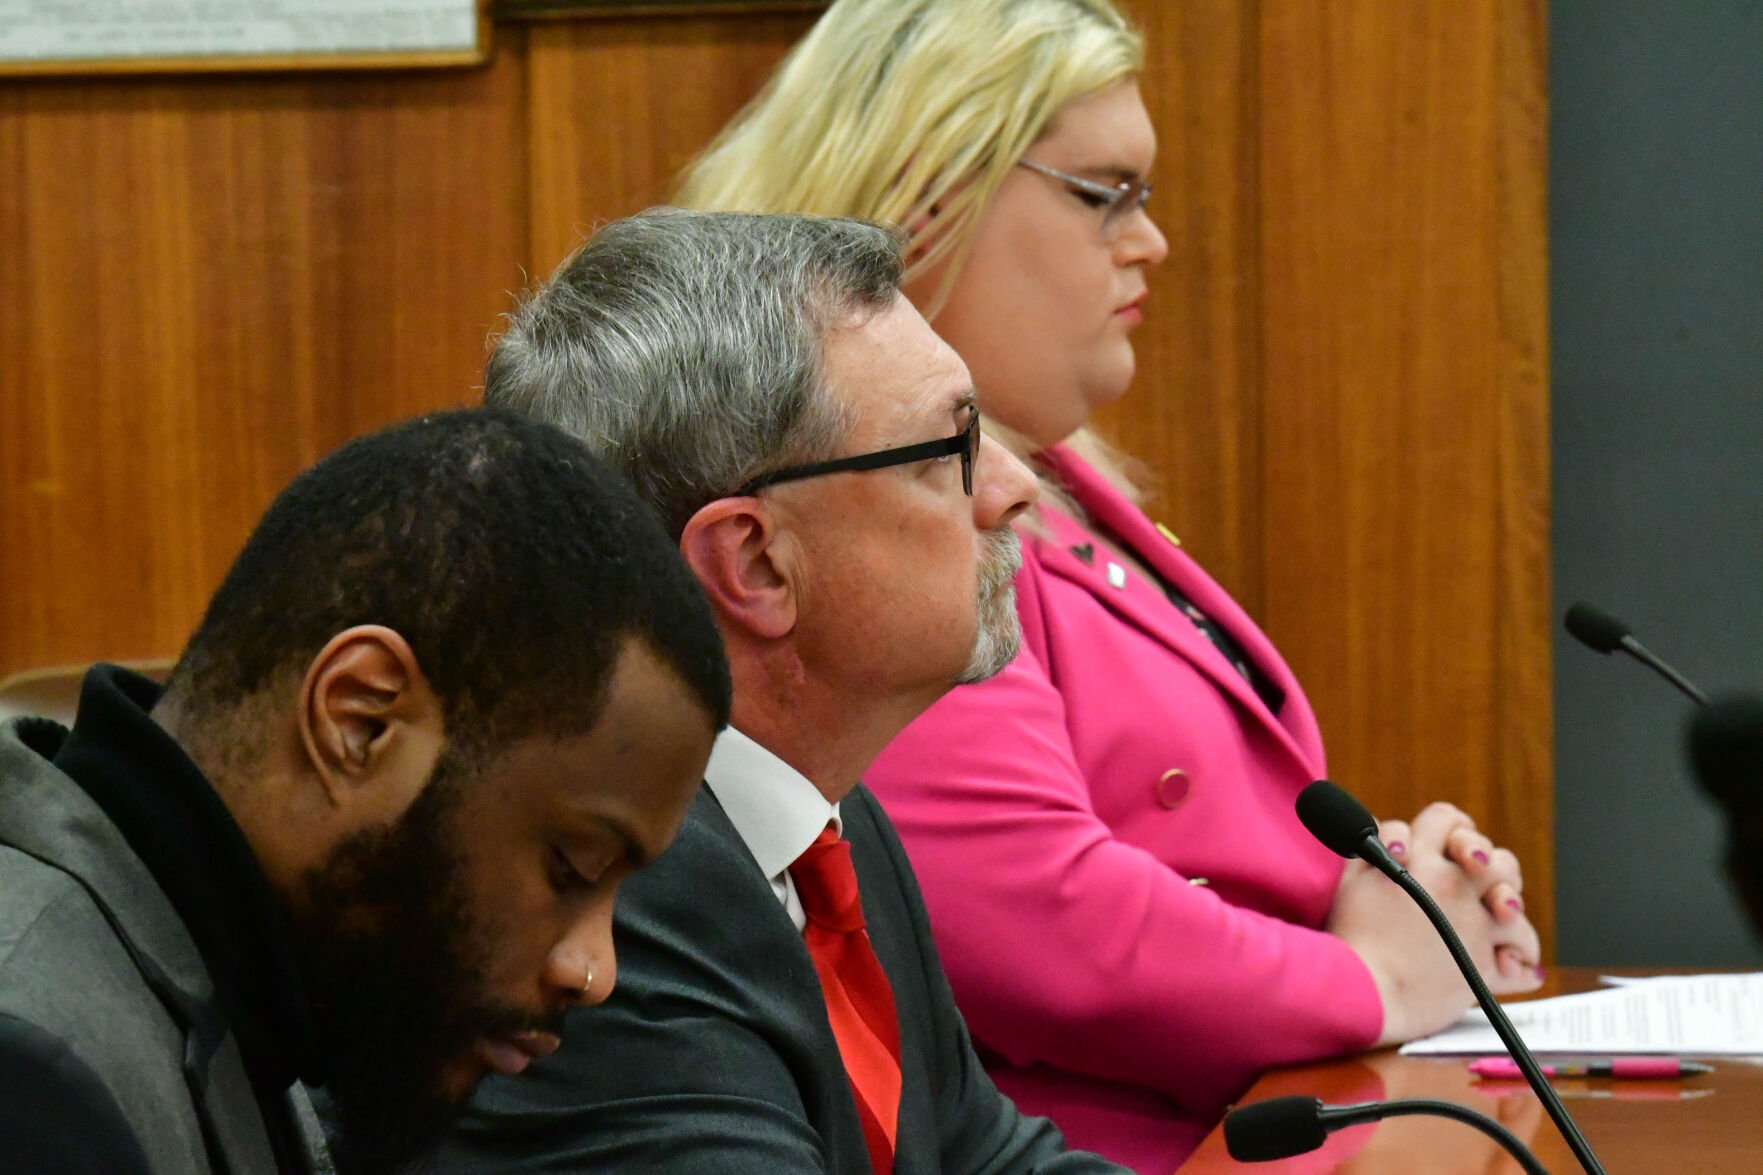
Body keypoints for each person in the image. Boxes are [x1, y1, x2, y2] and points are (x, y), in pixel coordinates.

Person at [676, 1, 1545, 1169]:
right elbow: (1035, 912)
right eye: (1105, 192)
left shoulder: (1060, 473)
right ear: (925, 188)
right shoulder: (890, 531)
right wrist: (1375, 971)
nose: (1150, 242)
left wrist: (1404, 893)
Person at [438, 209, 1128, 1175]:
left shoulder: (825, 826)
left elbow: (993, 1161)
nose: (1011, 490)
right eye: (949, 447)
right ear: (755, 562)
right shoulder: (601, 905)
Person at [0, 409, 731, 1175]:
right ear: (361, 720)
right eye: (572, 865)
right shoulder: (30, 1079)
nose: (594, 970)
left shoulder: (257, 1010)